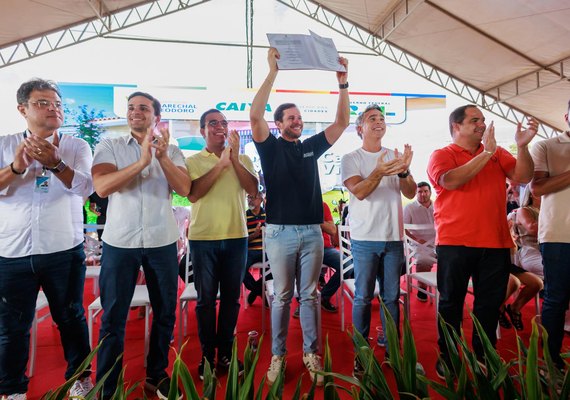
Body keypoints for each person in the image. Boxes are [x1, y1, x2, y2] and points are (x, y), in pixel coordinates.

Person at [250, 47, 349, 386]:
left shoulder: (310, 146)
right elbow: (254, 116)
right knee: (281, 296)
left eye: (299, 117)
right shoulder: (270, 147)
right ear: (278, 125)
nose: (297, 121)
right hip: (278, 233)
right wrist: (272, 72)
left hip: (311, 233)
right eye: (290, 118)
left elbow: (341, 123)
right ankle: (278, 356)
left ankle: (311, 353)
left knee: (310, 295)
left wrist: (343, 84)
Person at [92, 91, 191, 399]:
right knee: (113, 316)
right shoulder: (110, 145)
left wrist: (159, 157)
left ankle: (156, 375)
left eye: (144, 108)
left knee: (165, 312)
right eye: (131, 107)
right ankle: (108, 385)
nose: (136, 112)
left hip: (162, 240)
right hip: (120, 241)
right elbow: (103, 186)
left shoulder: (172, 151)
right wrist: (142, 162)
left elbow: (185, 189)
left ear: (155, 117)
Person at [427, 104, 537, 378]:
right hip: (455, 243)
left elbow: (523, 177)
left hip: (495, 244)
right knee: (451, 303)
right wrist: (486, 153)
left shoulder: (498, 153)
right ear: (457, 126)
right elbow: (451, 181)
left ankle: (483, 356)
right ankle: (449, 357)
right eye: (474, 120)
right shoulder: (442, 154)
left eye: (483, 120)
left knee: (488, 305)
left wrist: (522, 147)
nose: (481, 124)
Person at [0, 78, 94, 399]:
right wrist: (15, 167)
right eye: (43, 103)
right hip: (11, 253)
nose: (53, 108)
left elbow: (86, 187)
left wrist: (56, 163)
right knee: (12, 327)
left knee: (71, 318)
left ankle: (80, 379)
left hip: (63, 251)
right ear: (22, 109)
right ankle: (12, 390)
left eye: (57, 103)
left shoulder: (76, 146)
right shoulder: (4, 144)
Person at [341, 104, 416, 373]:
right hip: (364, 239)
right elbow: (359, 192)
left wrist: (404, 171)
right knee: (362, 297)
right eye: (372, 118)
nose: (379, 122)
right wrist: (380, 172)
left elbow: (410, 192)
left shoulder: (394, 155)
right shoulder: (351, 158)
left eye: (382, 118)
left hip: (394, 238)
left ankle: (392, 348)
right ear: (360, 128)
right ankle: (361, 351)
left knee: (392, 297)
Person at [185, 109, 258, 380]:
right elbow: (193, 194)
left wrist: (235, 159)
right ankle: (207, 356)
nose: (220, 127)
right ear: (202, 131)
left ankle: (226, 353)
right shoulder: (192, 160)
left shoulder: (244, 158)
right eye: (213, 123)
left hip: (236, 237)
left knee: (231, 300)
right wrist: (220, 165)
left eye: (224, 123)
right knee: (205, 302)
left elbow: (252, 190)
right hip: (203, 239)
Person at [529, 101, 570, 370]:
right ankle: (551, 362)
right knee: (556, 297)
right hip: (559, 234)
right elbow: (538, 188)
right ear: (567, 116)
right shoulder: (546, 145)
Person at [403, 181, 436, 302]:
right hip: (416, 243)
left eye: (425, 191)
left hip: (437, 243)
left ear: (430, 192)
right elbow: (404, 230)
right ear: (416, 193)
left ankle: (446, 287)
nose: (423, 194)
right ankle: (422, 288)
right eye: (420, 192)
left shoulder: (437, 206)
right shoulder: (409, 208)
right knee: (424, 259)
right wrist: (418, 240)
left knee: (451, 256)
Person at [243, 191, 267, 306]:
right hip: (250, 251)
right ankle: (260, 292)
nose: (250, 200)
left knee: (278, 266)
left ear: (261, 200)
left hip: (267, 251)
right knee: (240, 268)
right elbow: (241, 241)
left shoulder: (268, 215)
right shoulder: (243, 216)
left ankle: (254, 292)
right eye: (249, 197)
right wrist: (254, 235)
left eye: (253, 197)